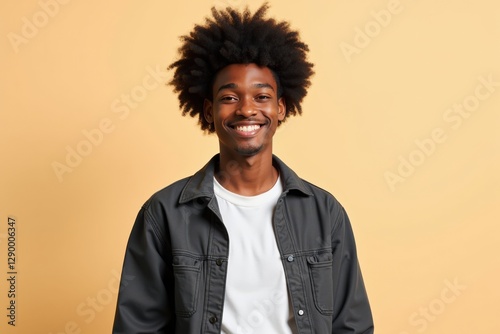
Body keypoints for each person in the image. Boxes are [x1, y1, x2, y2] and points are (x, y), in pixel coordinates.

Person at [112, 3, 374, 334]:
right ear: (208, 111)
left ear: (280, 108)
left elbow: (352, 326)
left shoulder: (325, 213)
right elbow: (138, 327)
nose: (247, 109)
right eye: (230, 97)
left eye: (261, 97)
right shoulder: (164, 213)